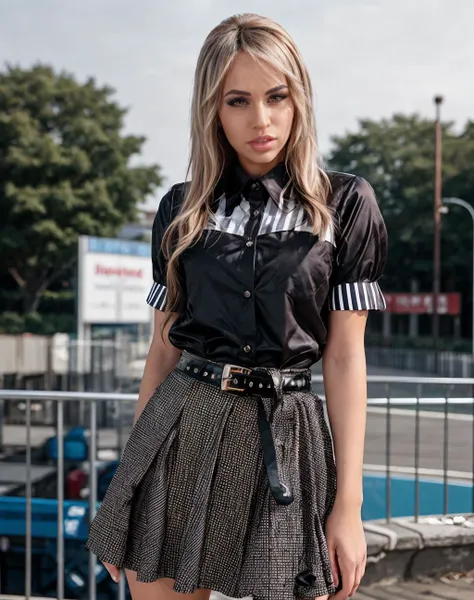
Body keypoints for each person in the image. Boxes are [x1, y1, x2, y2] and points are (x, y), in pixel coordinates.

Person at [86, 13, 387, 600]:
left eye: (277, 96)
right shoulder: (180, 208)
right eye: (238, 101)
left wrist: (347, 506)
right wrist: (127, 486)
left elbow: (346, 360)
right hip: (182, 424)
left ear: (299, 98)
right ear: (212, 111)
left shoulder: (346, 204)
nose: (262, 120)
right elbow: (161, 353)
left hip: (288, 434)